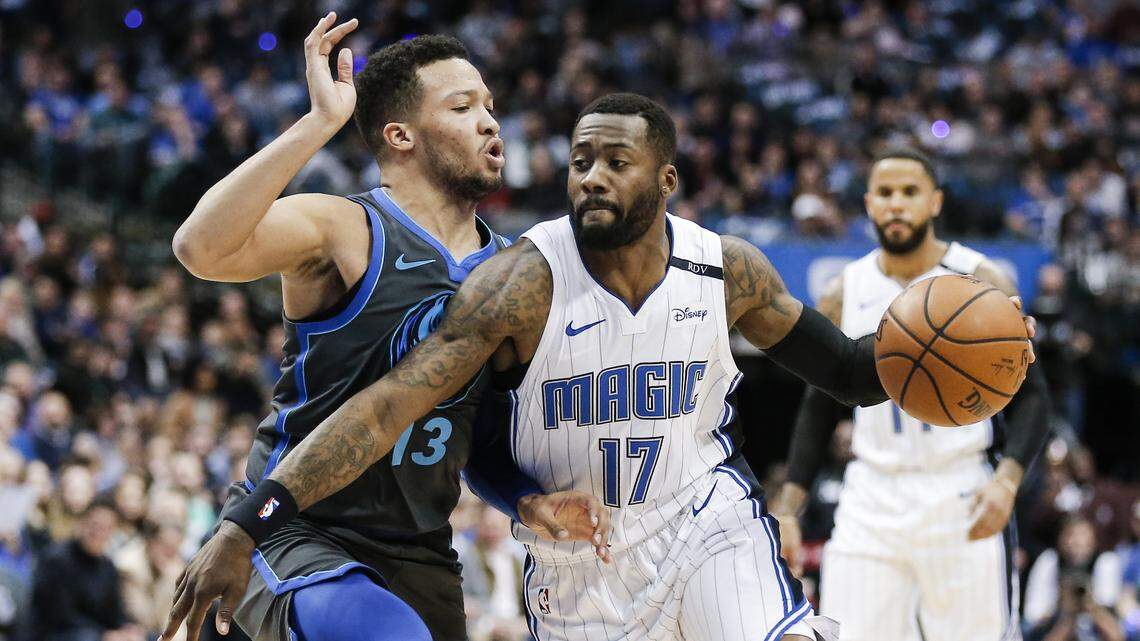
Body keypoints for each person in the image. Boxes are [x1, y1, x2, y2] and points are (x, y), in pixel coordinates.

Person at [166, 93, 1037, 641]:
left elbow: (847, 370)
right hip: (580, 562)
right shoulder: (519, 283)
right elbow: (387, 405)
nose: (591, 177)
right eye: (581, 161)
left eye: (616, 162)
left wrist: (993, 350)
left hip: (705, 522)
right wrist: (249, 521)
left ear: (666, 179)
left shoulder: (726, 269)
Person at [162, 16, 605, 641]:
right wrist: (319, 123)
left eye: (489, 107)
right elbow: (199, 247)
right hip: (294, 525)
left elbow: (477, 432)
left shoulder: (512, 271)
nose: (489, 122)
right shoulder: (345, 229)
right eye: (462, 107)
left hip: (419, 549)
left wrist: (525, 500)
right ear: (400, 135)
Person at [772, 146, 1052, 641]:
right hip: (871, 494)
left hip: (960, 488)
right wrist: (789, 508)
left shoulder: (982, 279)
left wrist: (1007, 483)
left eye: (909, 192)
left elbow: (1034, 396)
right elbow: (818, 404)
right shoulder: (843, 289)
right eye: (885, 193)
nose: (896, 203)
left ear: (935, 201)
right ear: (869, 204)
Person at [31, 499, 146, 641]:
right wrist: (103, 635)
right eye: (94, 525)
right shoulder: (56, 560)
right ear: (82, 523)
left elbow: (115, 613)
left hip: (95, 633)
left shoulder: (108, 567)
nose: (97, 532)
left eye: (105, 528)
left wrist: (127, 628)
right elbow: (60, 616)